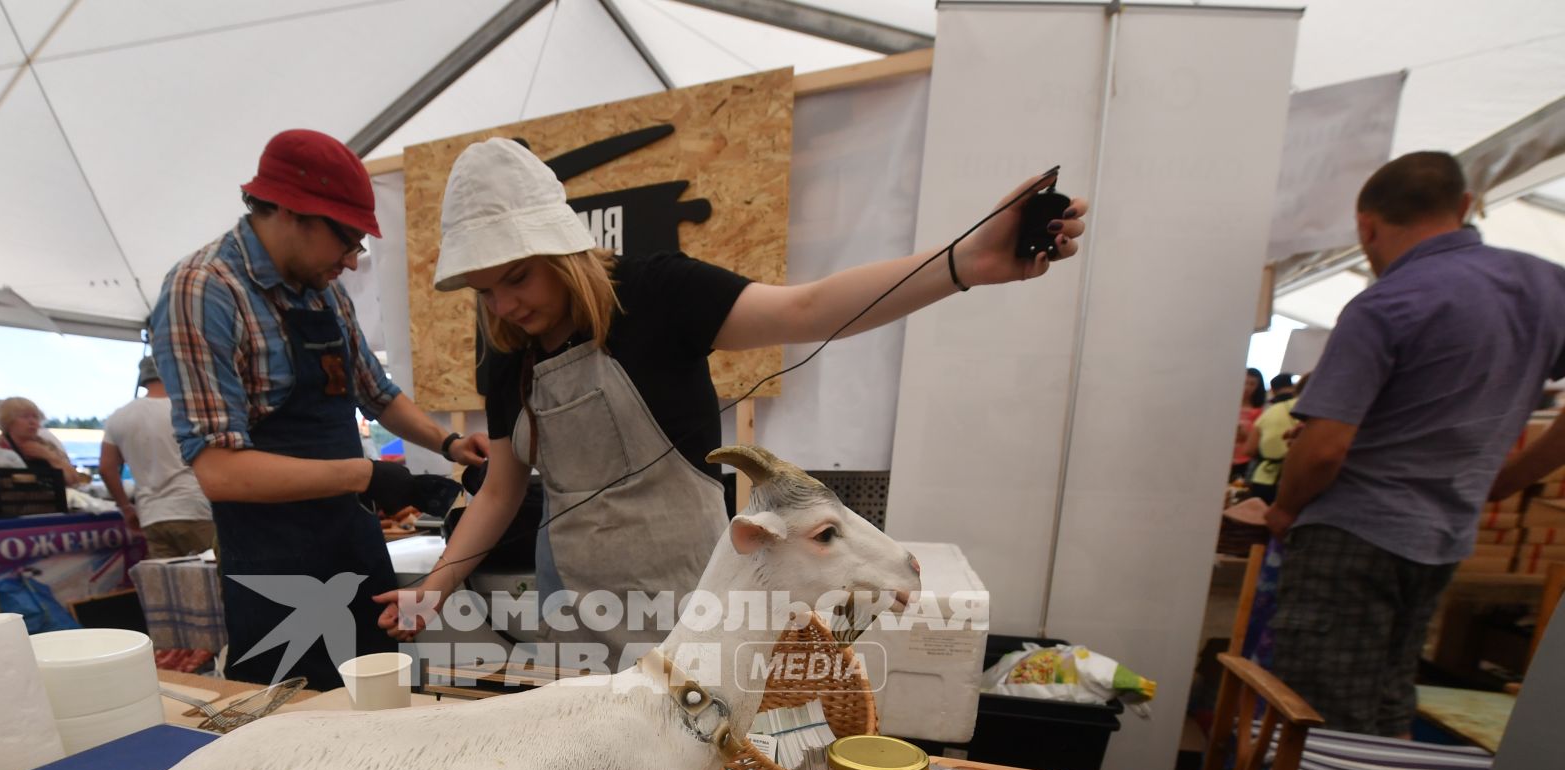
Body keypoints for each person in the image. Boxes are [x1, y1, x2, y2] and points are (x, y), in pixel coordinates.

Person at [377, 138, 1088, 666]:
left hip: (684, 588)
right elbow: (501, 491)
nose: (503, 304)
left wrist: (963, 263)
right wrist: (432, 589)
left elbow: (807, 308)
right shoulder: (509, 350)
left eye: (518, 277)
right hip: (573, 598)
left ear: (562, 251)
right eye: (484, 289)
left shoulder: (657, 295)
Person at [151, 129, 487, 689]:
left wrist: (450, 445)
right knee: (294, 725)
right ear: (289, 211)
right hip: (274, 564)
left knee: (386, 697)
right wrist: (367, 474)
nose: (353, 262)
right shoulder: (204, 289)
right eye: (347, 240)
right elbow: (220, 471)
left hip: (349, 543)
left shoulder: (322, 288)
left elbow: (375, 392)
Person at [1265, 151, 1565, 734]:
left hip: (1351, 537)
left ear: (1366, 226)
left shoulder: (1385, 303)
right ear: (1463, 206)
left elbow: (1325, 448)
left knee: (1320, 713)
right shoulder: (1546, 287)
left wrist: (1283, 509)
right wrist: (1501, 481)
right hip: (1442, 536)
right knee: (1387, 693)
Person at [99, 357, 215, 559]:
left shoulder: (118, 417)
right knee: (214, 579)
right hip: (194, 508)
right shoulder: (187, 410)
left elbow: (106, 468)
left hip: (152, 515)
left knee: (168, 585)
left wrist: (126, 507)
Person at [0, 396, 85, 487]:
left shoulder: (48, 446)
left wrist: (51, 458)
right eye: (25, 417)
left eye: (36, 417)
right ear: (8, 421)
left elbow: (74, 481)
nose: (32, 422)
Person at [1247, 374, 1303, 504]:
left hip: (1264, 477)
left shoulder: (1269, 412)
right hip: (1296, 481)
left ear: (1272, 390)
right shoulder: (1310, 412)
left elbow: (1249, 449)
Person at [1233, 367, 1267, 474]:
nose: (1247, 387)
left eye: (1252, 384)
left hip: (1244, 462)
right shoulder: (1228, 407)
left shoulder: (1259, 412)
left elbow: (1257, 439)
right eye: (1245, 382)